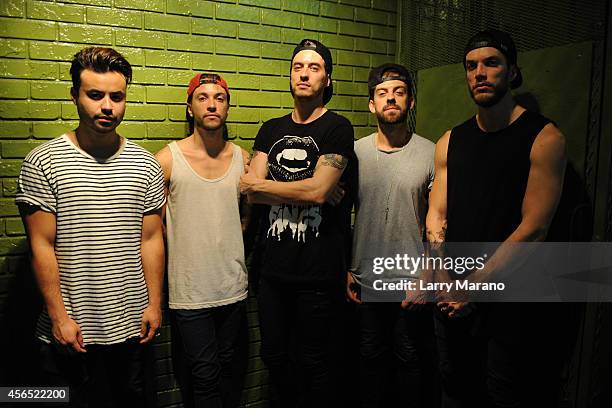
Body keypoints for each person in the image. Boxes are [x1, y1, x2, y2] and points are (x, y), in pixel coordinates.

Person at [16, 47, 165, 407]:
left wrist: (155, 304)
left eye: (117, 96)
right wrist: (58, 317)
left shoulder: (146, 165)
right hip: (70, 330)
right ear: (75, 96)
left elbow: (152, 239)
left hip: (131, 328)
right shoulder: (43, 162)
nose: (107, 106)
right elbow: (41, 245)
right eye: (95, 95)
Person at [426, 29, 567, 407]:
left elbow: (534, 228)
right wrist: (443, 278)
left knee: (503, 394)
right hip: (450, 298)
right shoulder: (450, 140)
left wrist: (472, 288)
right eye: (472, 66)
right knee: (454, 390)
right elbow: (436, 213)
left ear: (512, 70)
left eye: (491, 63)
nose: (480, 73)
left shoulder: (544, 137)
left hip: (509, 303)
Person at [239, 39, 354, 408]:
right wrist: (307, 188)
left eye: (314, 67)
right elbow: (250, 192)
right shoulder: (271, 129)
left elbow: (318, 192)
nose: (304, 73)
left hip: (317, 275)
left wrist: (307, 188)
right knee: (274, 357)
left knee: (315, 364)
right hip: (272, 272)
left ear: (328, 80)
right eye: (298, 66)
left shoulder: (337, 127)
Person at [155, 73, 250, 408]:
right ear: (190, 106)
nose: (212, 104)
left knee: (228, 371)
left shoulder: (243, 158)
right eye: (203, 97)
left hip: (232, 287)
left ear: (227, 106)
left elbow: (248, 214)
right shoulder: (167, 159)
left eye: (220, 98)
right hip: (190, 291)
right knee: (204, 374)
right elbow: (153, 228)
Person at [346, 63, 436, 408]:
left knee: (410, 362)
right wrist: (347, 267)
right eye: (382, 94)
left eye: (399, 92)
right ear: (372, 104)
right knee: (370, 363)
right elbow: (340, 215)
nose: (391, 99)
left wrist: (426, 277)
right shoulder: (355, 152)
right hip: (366, 280)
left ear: (410, 101)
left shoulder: (431, 153)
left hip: (410, 281)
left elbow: (439, 222)